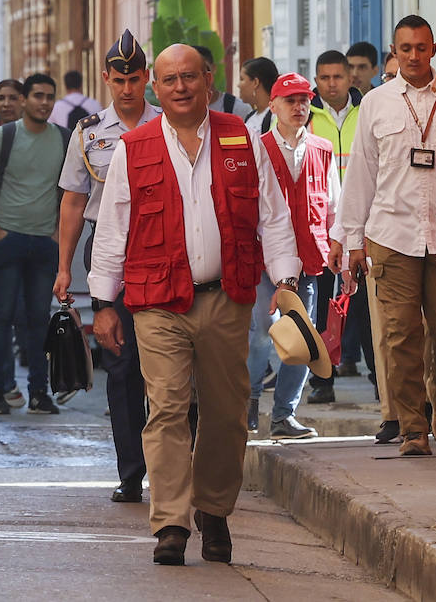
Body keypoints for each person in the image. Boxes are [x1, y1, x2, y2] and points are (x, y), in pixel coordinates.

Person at [89, 44, 301, 566]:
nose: (180, 87)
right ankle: (170, 524)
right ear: (155, 89)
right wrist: (102, 302)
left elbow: (271, 216)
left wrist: (287, 280)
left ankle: (213, 510)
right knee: (165, 410)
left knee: (227, 413)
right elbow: (114, 229)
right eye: (169, 80)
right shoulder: (132, 149)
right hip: (157, 303)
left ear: (209, 80)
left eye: (189, 77)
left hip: (227, 298)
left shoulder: (242, 136)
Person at [337, 15, 436, 456]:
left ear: (434, 48)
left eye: (421, 47)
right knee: (400, 333)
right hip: (391, 234)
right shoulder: (376, 102)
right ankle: (413, 427)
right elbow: (361, 174)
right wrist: (353, 240)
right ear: (394, 52)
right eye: (405, 49)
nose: (414, 56)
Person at [53, 30, 159, 503]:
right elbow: (73, 202)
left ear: (147, 78)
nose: (128, 89)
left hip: (164, 247)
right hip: (109, 251)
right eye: (119, 80)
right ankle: (131, 471)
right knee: (121, 363)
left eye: (136, 79)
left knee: (172, 361)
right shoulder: (90, 132)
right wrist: (64, 268)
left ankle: (174, 466)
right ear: (106, 78)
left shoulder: (170, 122)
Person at [248, 73, 340, 440]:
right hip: (262, 261)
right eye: (290, 100)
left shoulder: (322, 149)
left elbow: (334, 205)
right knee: (258, 336)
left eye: (304, 100)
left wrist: (340, 247)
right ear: (273, 106)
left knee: (304, 338)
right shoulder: (256, 149)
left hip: (308, 259)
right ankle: (248, 403)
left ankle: (284, 415)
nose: (299, 106)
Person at [0, 73, 67, 415]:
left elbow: (70, 190)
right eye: (38, 95)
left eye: (49, 96)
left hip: (44, 242)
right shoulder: (3, 136)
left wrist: (58, 231)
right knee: (0, 320)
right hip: (7, 240)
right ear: (25, 100)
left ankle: (40, 394)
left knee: (38, 320)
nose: (44, 102)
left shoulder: (63, 138)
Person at [308, 50, 372, 409]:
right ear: (316, 80)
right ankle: (322, 382)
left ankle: (380, 382)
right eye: (324, 77)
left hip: (362, 225)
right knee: (318, 311)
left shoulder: (368, 110)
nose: (331, 83)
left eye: (338, 76)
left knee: (365, 309)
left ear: (350, 77)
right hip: (320, 229)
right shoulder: (304, 114)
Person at [194, 45, 253, 119]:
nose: (202, 75)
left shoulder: (238, 109)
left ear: (214, 68)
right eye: (193, 73)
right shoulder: (180, 111)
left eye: (206, 69)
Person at [237, 57, 279, 136]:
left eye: (242, 79)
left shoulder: (276, 117)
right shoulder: (250, 116)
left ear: (255, 82)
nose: (238, 85)